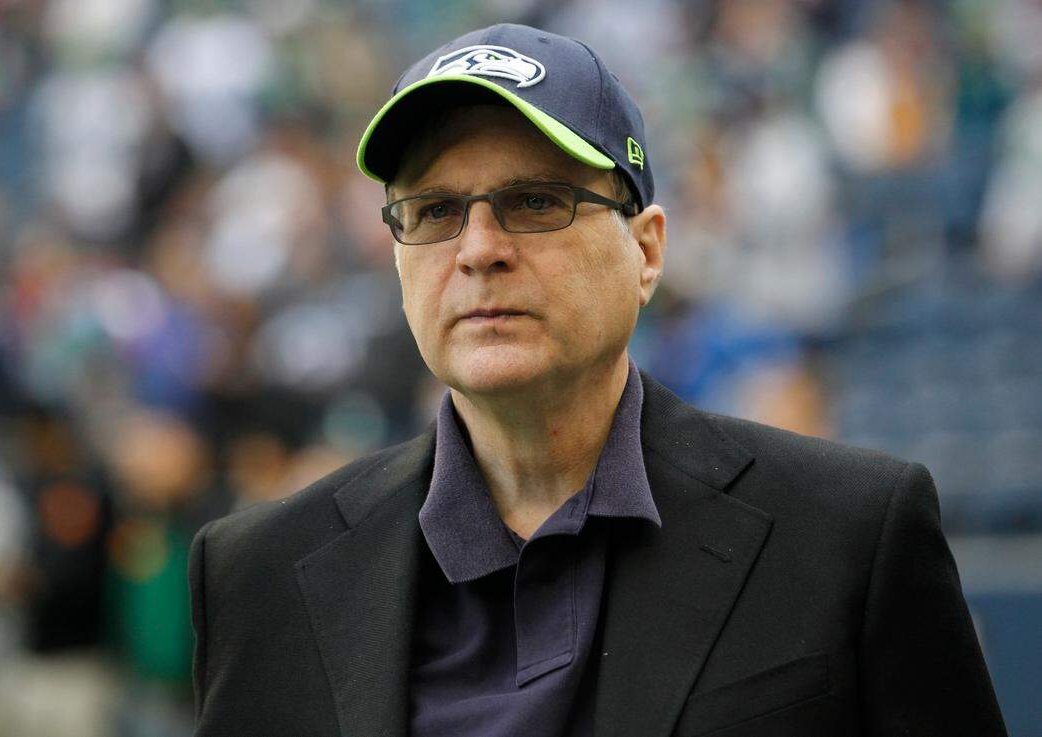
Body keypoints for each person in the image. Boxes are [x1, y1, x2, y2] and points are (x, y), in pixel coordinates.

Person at [187, 23, 1006, 737]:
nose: (477, 249)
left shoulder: (847, 536)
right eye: (435, 211)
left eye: (535, 201)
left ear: (646, 251)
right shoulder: (259, 576)